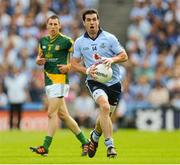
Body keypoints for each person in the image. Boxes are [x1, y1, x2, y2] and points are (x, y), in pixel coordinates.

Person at [71, 9, 128, 158]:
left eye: (94, 19)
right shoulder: (79, 42)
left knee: (105, 114)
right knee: (104, 106)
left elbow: (124, 56)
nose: (92, 22)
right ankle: (110, 146)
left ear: (98, 21)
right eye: (88, 20)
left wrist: (112, 59)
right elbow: (74, 64)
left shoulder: (109, 38)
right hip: (95, 81)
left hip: (114, 81)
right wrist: (87, 71)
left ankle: (94, 137)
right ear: (84, 23)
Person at [30, 15, 89, 156]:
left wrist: (69, 66)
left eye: (55, 24)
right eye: (50, 24)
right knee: (64, 115)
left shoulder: (67, 41)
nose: (53, 26)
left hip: (60, 81)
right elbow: (40, 57)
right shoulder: (43, 40)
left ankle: (45, 146)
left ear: (60, 26)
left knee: (51, 114)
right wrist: (39, 60)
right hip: (49, 80)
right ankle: (86, 142)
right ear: (47, 25)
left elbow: (80, 56)